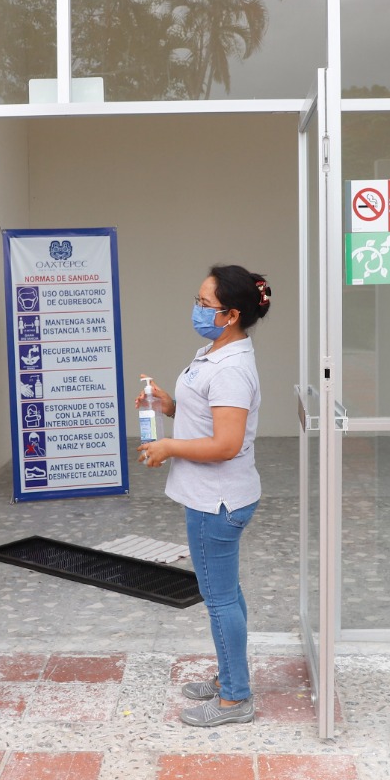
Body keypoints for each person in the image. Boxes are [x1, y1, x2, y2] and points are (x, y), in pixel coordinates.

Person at [137, 264, 271, 727]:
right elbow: (208, 417)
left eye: (205, 304)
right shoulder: (216, 351)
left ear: (231, 315)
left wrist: (169, 446)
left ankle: (235, 699)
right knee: (226, 593)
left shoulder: (232, 369)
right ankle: (230, 676)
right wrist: (170, 406)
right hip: (212, 495)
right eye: (197, 300)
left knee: (218, 599)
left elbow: (226, 444)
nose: (196, 309)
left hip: (218, 500)